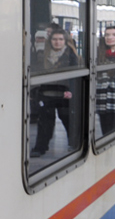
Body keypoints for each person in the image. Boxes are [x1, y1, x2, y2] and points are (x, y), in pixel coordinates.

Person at [30, 29, 80, 157]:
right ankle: (40, 147)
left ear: (65, 41)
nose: (57, 42)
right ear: (50, 41)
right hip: (46, 94)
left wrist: (71, 91)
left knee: (68, 120)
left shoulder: (71, 55)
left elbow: (75, 76)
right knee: (45, 122)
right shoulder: (42, 55)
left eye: (60, 39)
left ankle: (74, 143)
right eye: (54, 39)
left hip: (64, 94)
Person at [96, 26, 115, 136]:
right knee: (106, 129)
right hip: (102, 97)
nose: (110, 37)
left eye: (114, 35)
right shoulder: (97, 54)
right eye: (107, 35)